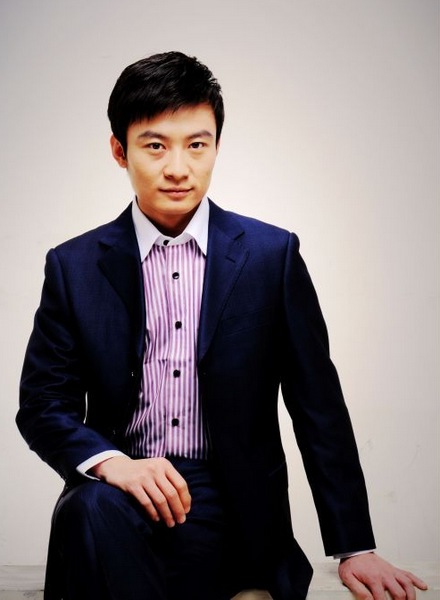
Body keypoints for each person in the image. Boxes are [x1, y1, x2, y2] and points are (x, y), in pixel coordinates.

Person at [17, 51, 427, 600]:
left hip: (233, 503)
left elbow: (318, 405)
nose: (178, 168)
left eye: (197, 144)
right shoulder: (74, 267)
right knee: (88, 509)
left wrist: (355, 545)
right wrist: (114, 464)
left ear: (216, 146)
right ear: (119, 150)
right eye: (155, 146)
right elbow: (43, 404)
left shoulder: (270, 256)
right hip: (118, 496)